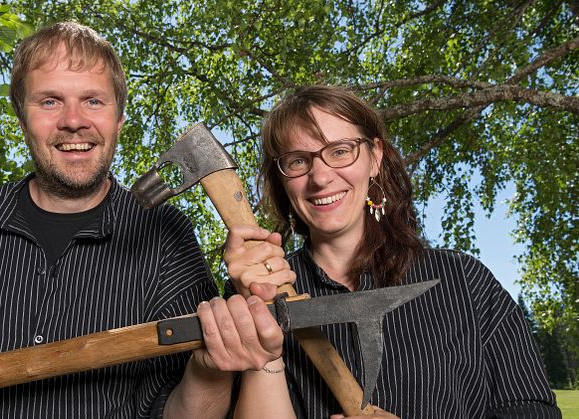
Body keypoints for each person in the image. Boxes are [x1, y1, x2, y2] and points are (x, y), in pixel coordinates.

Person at [0, 22, 283, 418]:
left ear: (119, 119)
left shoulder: (165, 236)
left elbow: (186, 408)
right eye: (50, 101)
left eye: (93, 101)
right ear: (21, 117)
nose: (73, 121)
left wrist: (210, 372)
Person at [223, 85, 561, 418]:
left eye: (340, 151)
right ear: (282, 179)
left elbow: (533, 411)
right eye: (298, 160)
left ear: (375, 157)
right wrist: (258, 310)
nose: (321, 177)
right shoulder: (252, 293)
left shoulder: (465, 282)